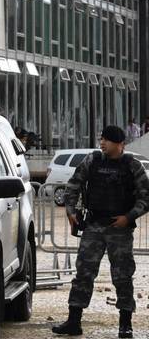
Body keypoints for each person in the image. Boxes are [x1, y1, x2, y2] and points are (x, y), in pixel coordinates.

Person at [52, 126, 147, 338]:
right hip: (94, 226)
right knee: (83, 274)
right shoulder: (92, 161)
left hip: (119, 228)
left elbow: (145, 197)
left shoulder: (132, 166)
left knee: (123, 276)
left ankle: (125, 324)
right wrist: (70, 211)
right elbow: (73, 186)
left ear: (120, 144)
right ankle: (74, 321)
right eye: (101, 139)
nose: (102, 143)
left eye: (107, 140)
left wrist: (129, 217)